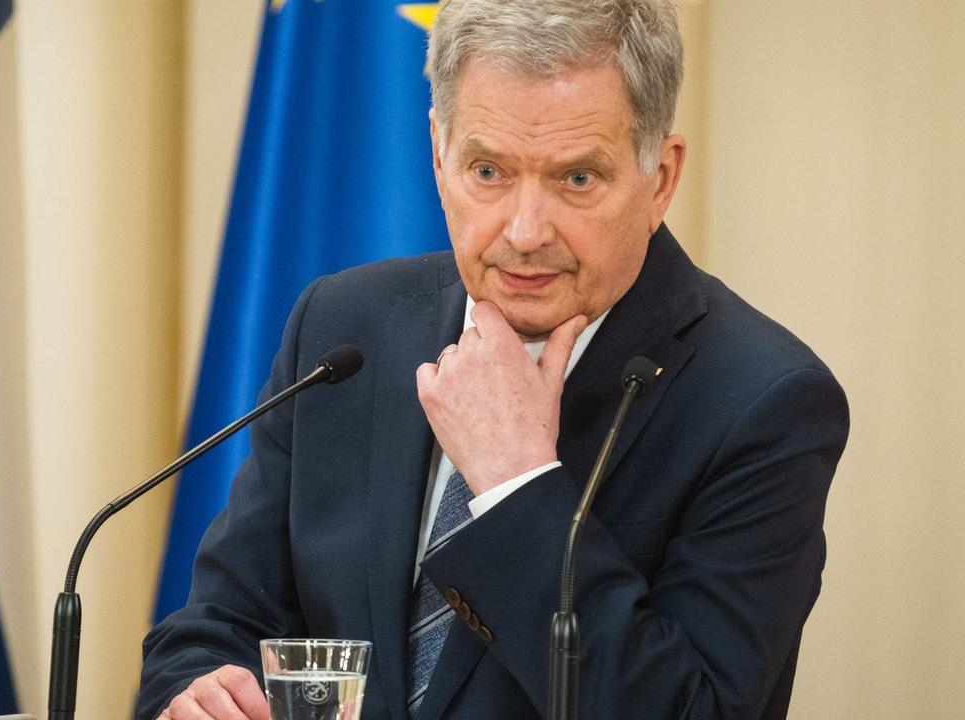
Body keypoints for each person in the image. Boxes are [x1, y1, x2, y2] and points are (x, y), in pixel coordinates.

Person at [136, 1, 849, 718]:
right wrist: (198, 694)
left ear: (659, 178)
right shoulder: (343, 329)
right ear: (438, 154)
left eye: (576, 179)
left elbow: (691, 710)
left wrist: (517, 486)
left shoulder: (763, 401)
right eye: (488, 170)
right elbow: (214, 628)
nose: (525, 230)